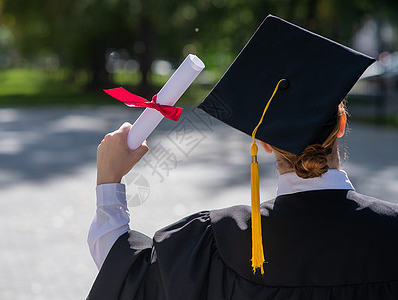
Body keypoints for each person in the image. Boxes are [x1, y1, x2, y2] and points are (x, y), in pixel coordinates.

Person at [86, 15, 398, 300]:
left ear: (261, 141)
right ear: (342, 124)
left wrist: (109, 182)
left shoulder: (217, 242)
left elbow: (127, 276)